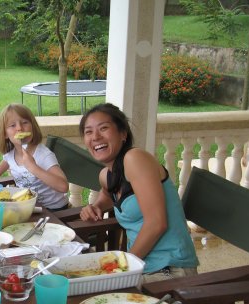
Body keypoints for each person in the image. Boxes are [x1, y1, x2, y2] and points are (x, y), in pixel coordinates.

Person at [78, 103, 198, 282]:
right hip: (141, 267)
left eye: (103, 128)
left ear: (123, 134)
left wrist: (122, 267)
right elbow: (109, 194)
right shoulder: (107, 175)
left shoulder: (136, 159)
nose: (95, 137)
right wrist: (96, 206)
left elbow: (157, 223)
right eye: (88, 132)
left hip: (170, 270)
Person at [0, 103, 69, 211]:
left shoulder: (43, 155)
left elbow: (63, 186)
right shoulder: (11, 154)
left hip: (54, 210)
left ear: (33, 127)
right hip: (29, 207)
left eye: (25, 122)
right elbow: (6, 161)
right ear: (5, 134)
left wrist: (33, 168)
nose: (20, 128)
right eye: (12, 125)